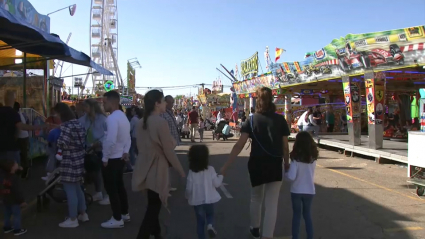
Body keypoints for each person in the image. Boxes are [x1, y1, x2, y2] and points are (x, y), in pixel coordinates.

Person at [221, 87, 290, 239]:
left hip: (256, 164)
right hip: (274, 163)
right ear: (271, 99)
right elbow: (285, 146)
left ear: (257, 100)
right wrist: (286, 163)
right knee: (272, 202)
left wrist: (225, 167)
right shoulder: (280, 120)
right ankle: (268, 235)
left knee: (256, 197)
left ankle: (255, 229)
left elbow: (239, 145)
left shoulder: (251, 120)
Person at [132, 89, 185, 239]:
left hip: (143, 166)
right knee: (154, 207)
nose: (165, 104)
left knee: (152, 203)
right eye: (162, 101)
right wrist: (180, 171)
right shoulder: (160, 122)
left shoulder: (142, 121)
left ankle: (157, 233)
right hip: (156, 168)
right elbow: (168, 151)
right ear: (157, 103)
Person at [54, 103, 89, 228]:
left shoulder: (66, 126)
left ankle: (73, 218)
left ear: (61, 113)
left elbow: (63, 143)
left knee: (70, 190)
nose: (55, 116)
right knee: (78, 188)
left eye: (56, 113)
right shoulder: (78, 124)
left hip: (69, 161)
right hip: (79, 160)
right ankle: (83, 213)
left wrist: (57, 140)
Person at [101, 91, 131, 228]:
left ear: (112, 102)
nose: (103, 104)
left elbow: (110, 140)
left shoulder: (112, 119)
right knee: (119, 187)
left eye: (104, 102)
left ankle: (117, 218)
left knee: (112, 189)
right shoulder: (123, 117)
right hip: (119, 157)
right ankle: (124, 213)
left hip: (112, 159)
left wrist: (105, 157)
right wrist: (125, 151)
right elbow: (127, 137)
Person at [285, 131, 318, 239]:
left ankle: (295, 237)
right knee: (307, 215)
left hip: (296, 191)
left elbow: (291, 177)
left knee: (296, 216)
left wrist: (285, 172)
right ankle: (310, 236)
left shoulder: (296, 159)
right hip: (309, 190)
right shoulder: (313, 158)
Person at [185, 145, 222, 239]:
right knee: (210, 215)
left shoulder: (192, 172)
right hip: (209, 200)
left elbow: (189, 188)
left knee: (200, 222)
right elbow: (217, 184)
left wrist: (187, 196)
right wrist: (221, 176)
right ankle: (210, 225)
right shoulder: (210, 169)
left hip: (197, 202)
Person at [78, 99, 110, 205]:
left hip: (101, 149)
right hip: (89, 149)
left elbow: (108, 134)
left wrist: (99, 142)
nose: (84, 109)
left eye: (86, 107)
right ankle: (98, 192)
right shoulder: (84, 119)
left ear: (92, 107)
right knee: (93, 172)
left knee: (105, 173)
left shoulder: (103, 119)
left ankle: (108, 195)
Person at [0, 91, 45, 164]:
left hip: (2, 147)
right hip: (11, 148)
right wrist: (40, 126)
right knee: (14, 169)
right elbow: (22, 126)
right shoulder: (14, 113)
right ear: (14, 100)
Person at [0, 159, 27, 236]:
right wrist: (22, 201)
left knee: (7, 214)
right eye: (15, 164)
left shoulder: (3, 176)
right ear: (12, 168)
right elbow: (17, 191)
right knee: (17, 215)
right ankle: (17, 229)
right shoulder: (15, 179)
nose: (17, 164)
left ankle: (7, 227)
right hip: (14, 200)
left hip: (5, 199)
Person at [13, 102, 30, 179]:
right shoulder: (20, 114)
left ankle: (24, 170)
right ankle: (23, 169)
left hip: (21, 137)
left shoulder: (17, 115)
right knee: (22, 154)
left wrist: (15, 136)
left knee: (22, 154)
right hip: (23, 136)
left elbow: (19, 127)